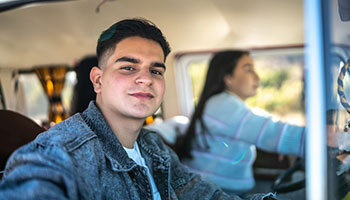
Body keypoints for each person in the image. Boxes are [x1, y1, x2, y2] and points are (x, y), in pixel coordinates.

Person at [0, 19, 277, 200]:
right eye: (128, 67)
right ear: (97, 79)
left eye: (155, 70)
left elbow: (205, 196)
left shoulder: (154, 147)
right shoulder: (57, 155)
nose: (146, 78)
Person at [174, 50, 305, 195]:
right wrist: (321, 138)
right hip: (211, 192)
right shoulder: (222, 105)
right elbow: (270, 132)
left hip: (223, 189)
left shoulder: (226, 105)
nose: (257, 77)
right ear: (228, 78)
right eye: (249, 69)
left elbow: (259, 121)